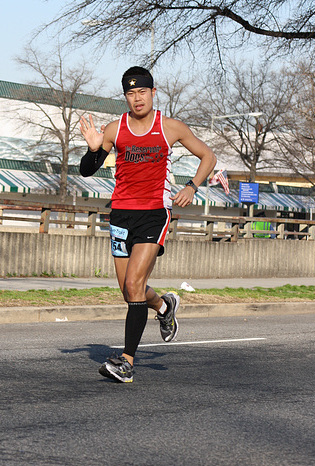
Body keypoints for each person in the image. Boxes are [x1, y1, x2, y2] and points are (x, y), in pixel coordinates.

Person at [79, 66, 216, 383]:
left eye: (142, 91)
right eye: (130, 92)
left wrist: (192, 186)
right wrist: (94, 147)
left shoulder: (170, 128)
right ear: (125, 96)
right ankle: (165, 306)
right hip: (121, 215)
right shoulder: (115, 129)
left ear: (153, 93)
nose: (137, 98)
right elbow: (87, 170)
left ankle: (126, 362)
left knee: (134, 284)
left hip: (155, 212)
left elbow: (208, 156)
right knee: (129, 292)